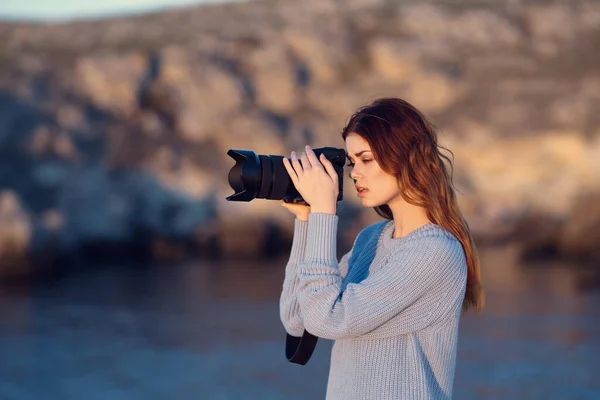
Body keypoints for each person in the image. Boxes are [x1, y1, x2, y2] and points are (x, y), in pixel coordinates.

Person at [278, 97, 484, 400]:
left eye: (366, 159)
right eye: (351, 162)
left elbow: (329, 318)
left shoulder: (436, 252)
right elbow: (298, 319)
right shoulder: (371, 239)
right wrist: (307, 222)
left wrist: (325, 212)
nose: (353, 173)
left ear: (404, 156)